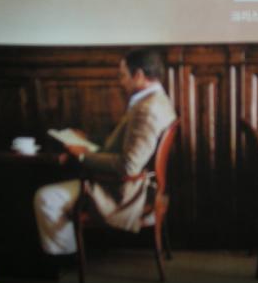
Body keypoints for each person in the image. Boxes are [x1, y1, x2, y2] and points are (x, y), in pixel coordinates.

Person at [33, 48, 177, 256]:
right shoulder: (156, 100)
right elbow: (126, 144)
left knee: (45, 197)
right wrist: (89, 139)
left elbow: (129, 165)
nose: (121, 82)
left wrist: (82, 155)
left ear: (138, 75)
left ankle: (65, 258)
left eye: (122, 75)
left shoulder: (146, 109)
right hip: (136, 183)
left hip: (124, 192)